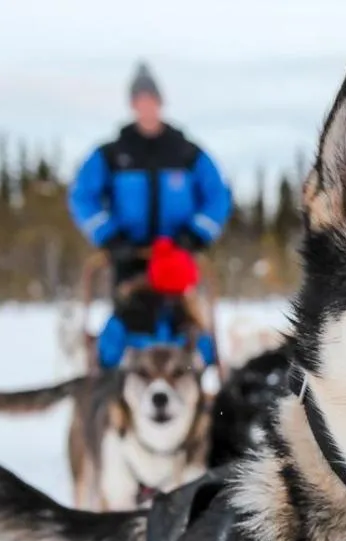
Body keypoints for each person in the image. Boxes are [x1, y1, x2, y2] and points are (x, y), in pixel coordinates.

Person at [69, 63, 230, 369]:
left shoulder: (185, 152)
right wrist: (110, 237)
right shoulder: (113, 154)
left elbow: (218, 195)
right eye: (140, 100)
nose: (146, 106)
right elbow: (82, 196)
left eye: (151, 99)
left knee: (189, 328)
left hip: (178, 256)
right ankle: (107, 392)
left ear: (160, 102)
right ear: (133, 104)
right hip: (129, 257)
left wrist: (196, 235)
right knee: (125, 325)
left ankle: (209, 393)